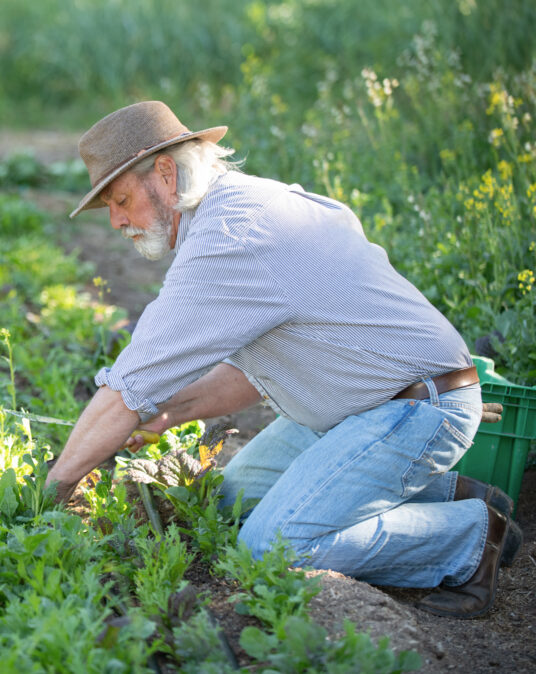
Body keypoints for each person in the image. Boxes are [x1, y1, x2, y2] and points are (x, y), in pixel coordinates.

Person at [45, 100, 522, 618]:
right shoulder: (230, 216)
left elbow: (129, 386)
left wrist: (51, 489)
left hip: (413, 408)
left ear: (166, 173)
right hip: (355, 408)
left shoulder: (232, 235)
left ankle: (469, 538)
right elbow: (253, 375)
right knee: (233, 503)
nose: (116, 220)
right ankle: (446, 492)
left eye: (120, 199)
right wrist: (168, 414)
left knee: (271, 548)